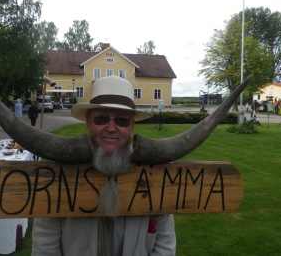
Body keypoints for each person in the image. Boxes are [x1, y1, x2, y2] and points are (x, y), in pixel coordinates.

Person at [32, 75, 176, 256]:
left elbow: (164, 245)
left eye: (122, 120)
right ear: (88, 122)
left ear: (132, 126)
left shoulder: (154, 174)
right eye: (101, 118)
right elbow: (45, 245)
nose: (111, 127)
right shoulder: (60, 175)